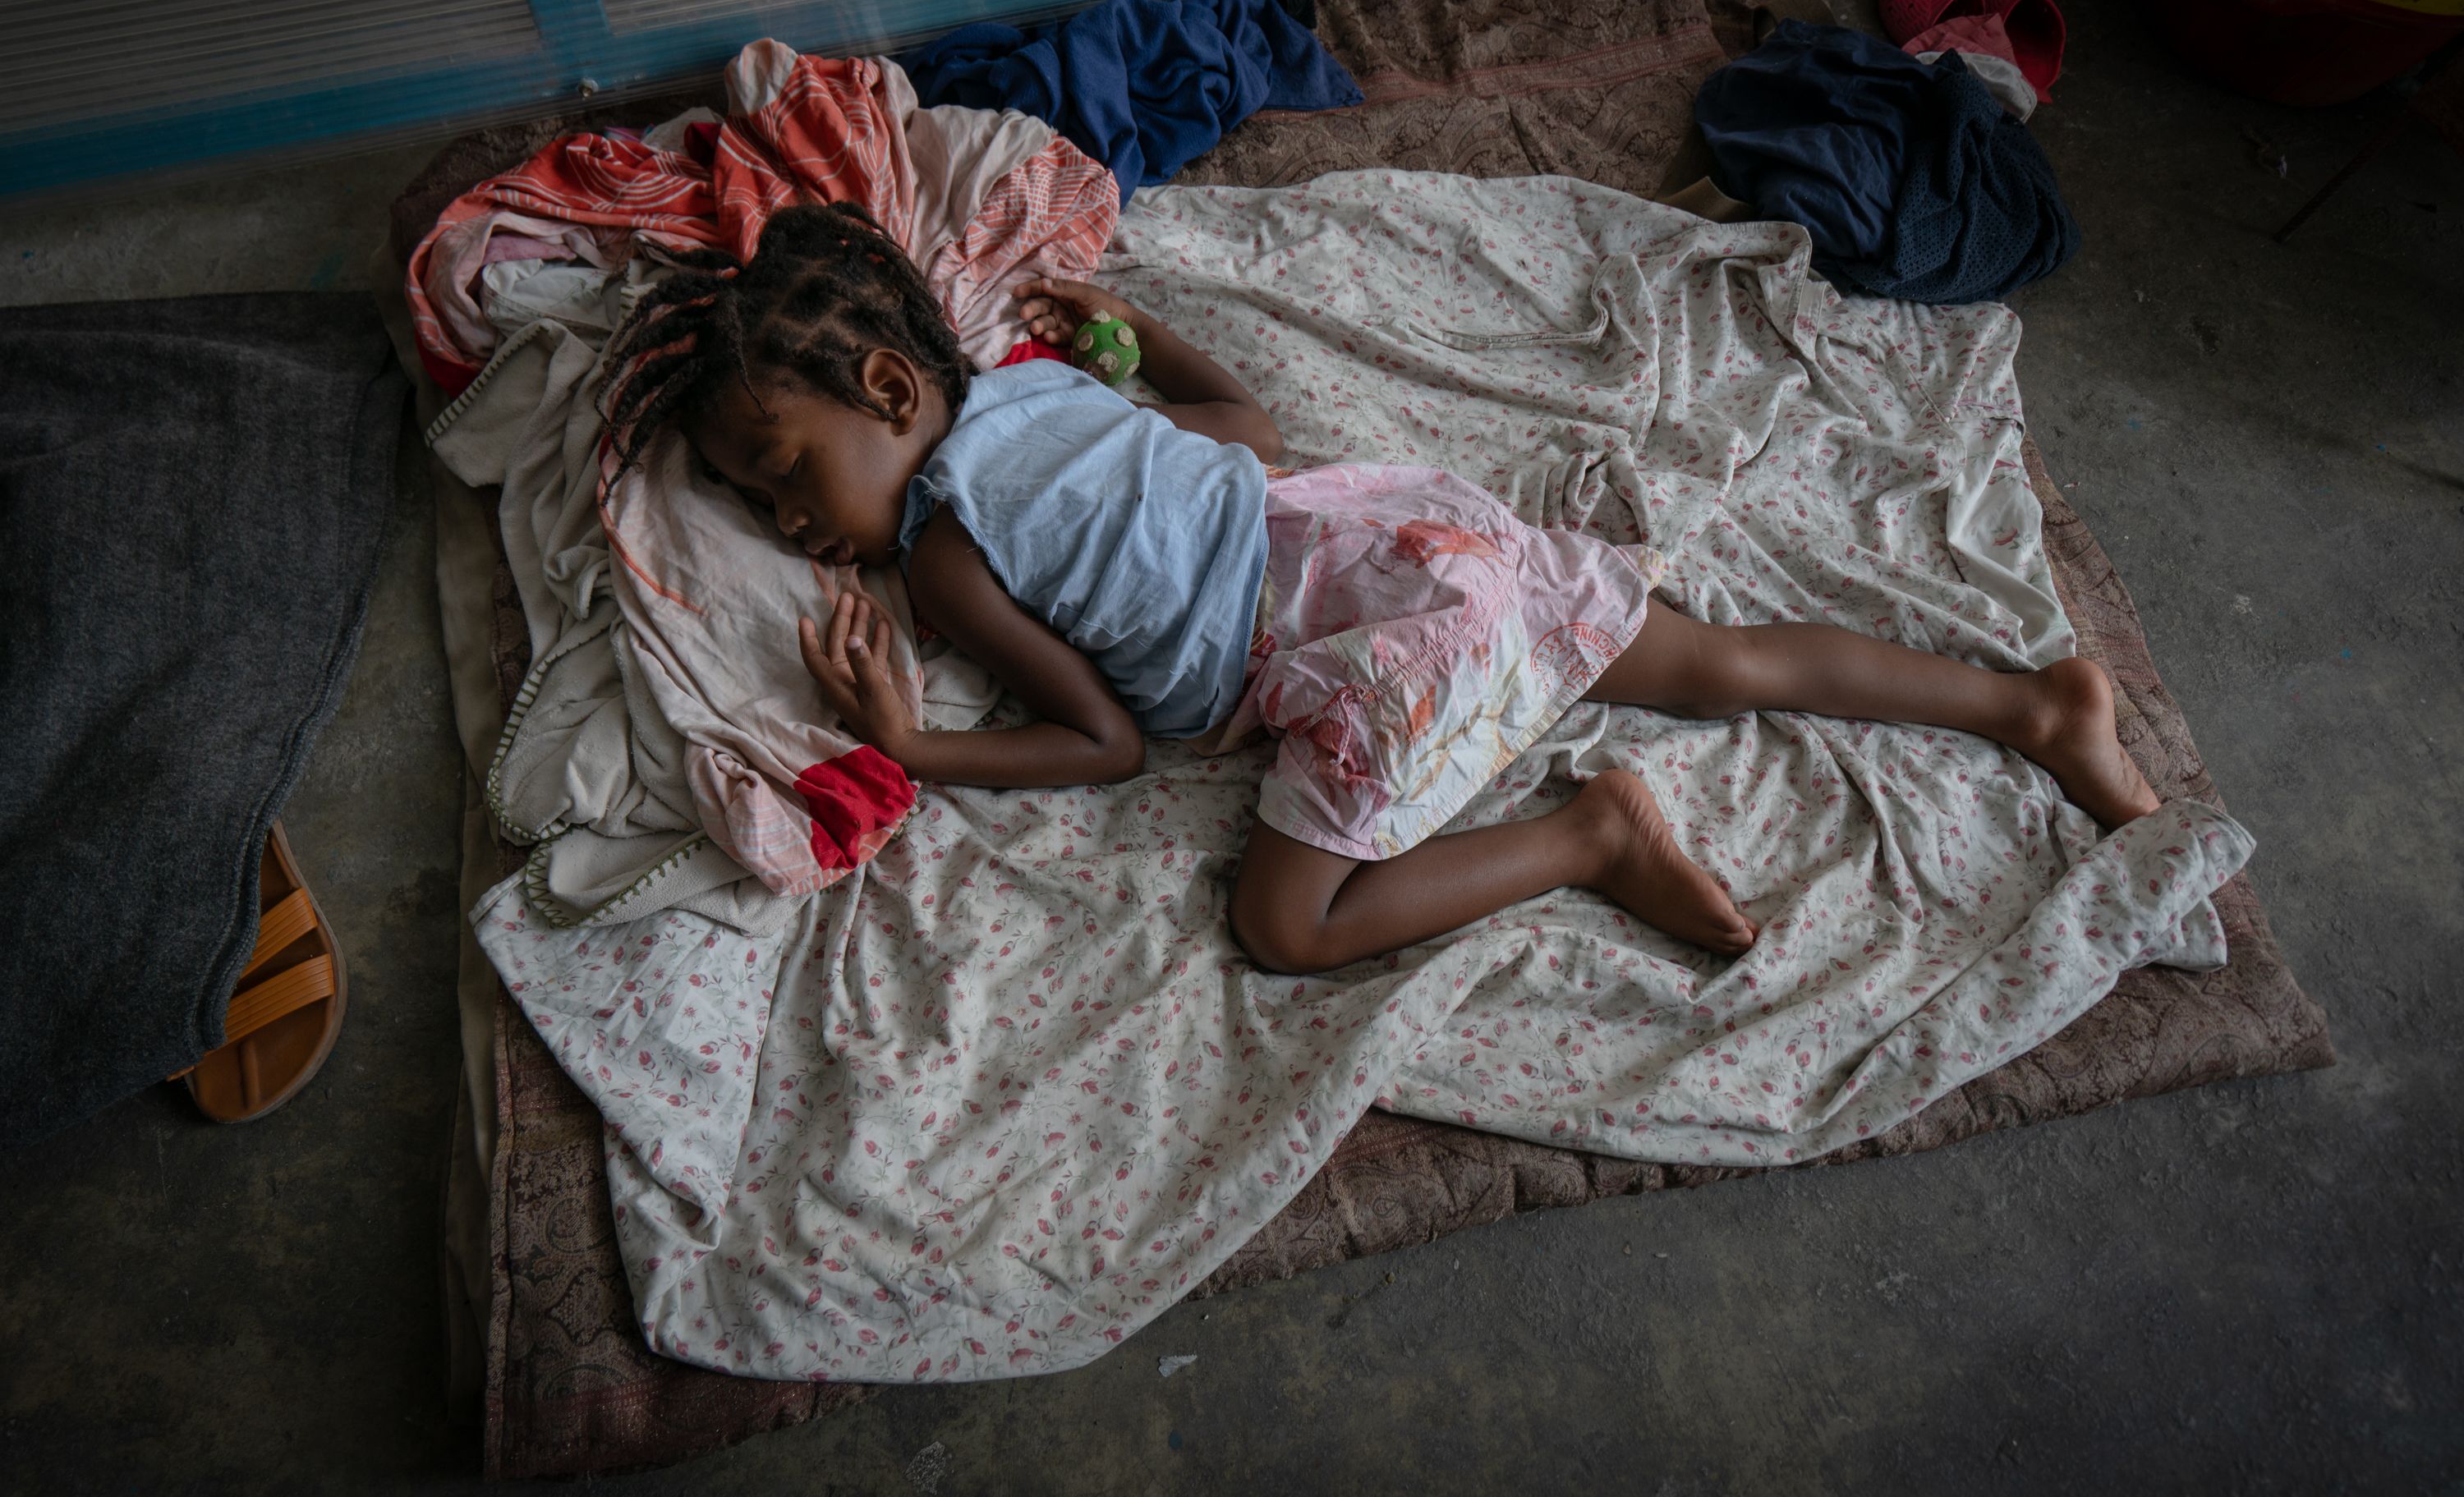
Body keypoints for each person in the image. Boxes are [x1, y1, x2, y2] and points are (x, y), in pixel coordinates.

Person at [600, 201, 2158, 975]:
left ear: (885, 388)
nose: (794, 525)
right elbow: (1248, 435)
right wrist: (1134, 335)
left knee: (1284, 926)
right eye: (760, 507)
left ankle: (1587, 835)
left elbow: (1109, 746)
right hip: (1401, 537)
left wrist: (909, 741)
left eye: (789, 477)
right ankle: (2036, 702)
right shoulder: (1034, 380)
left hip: (1344, 644)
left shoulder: (944, 560)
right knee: (1725, 664)